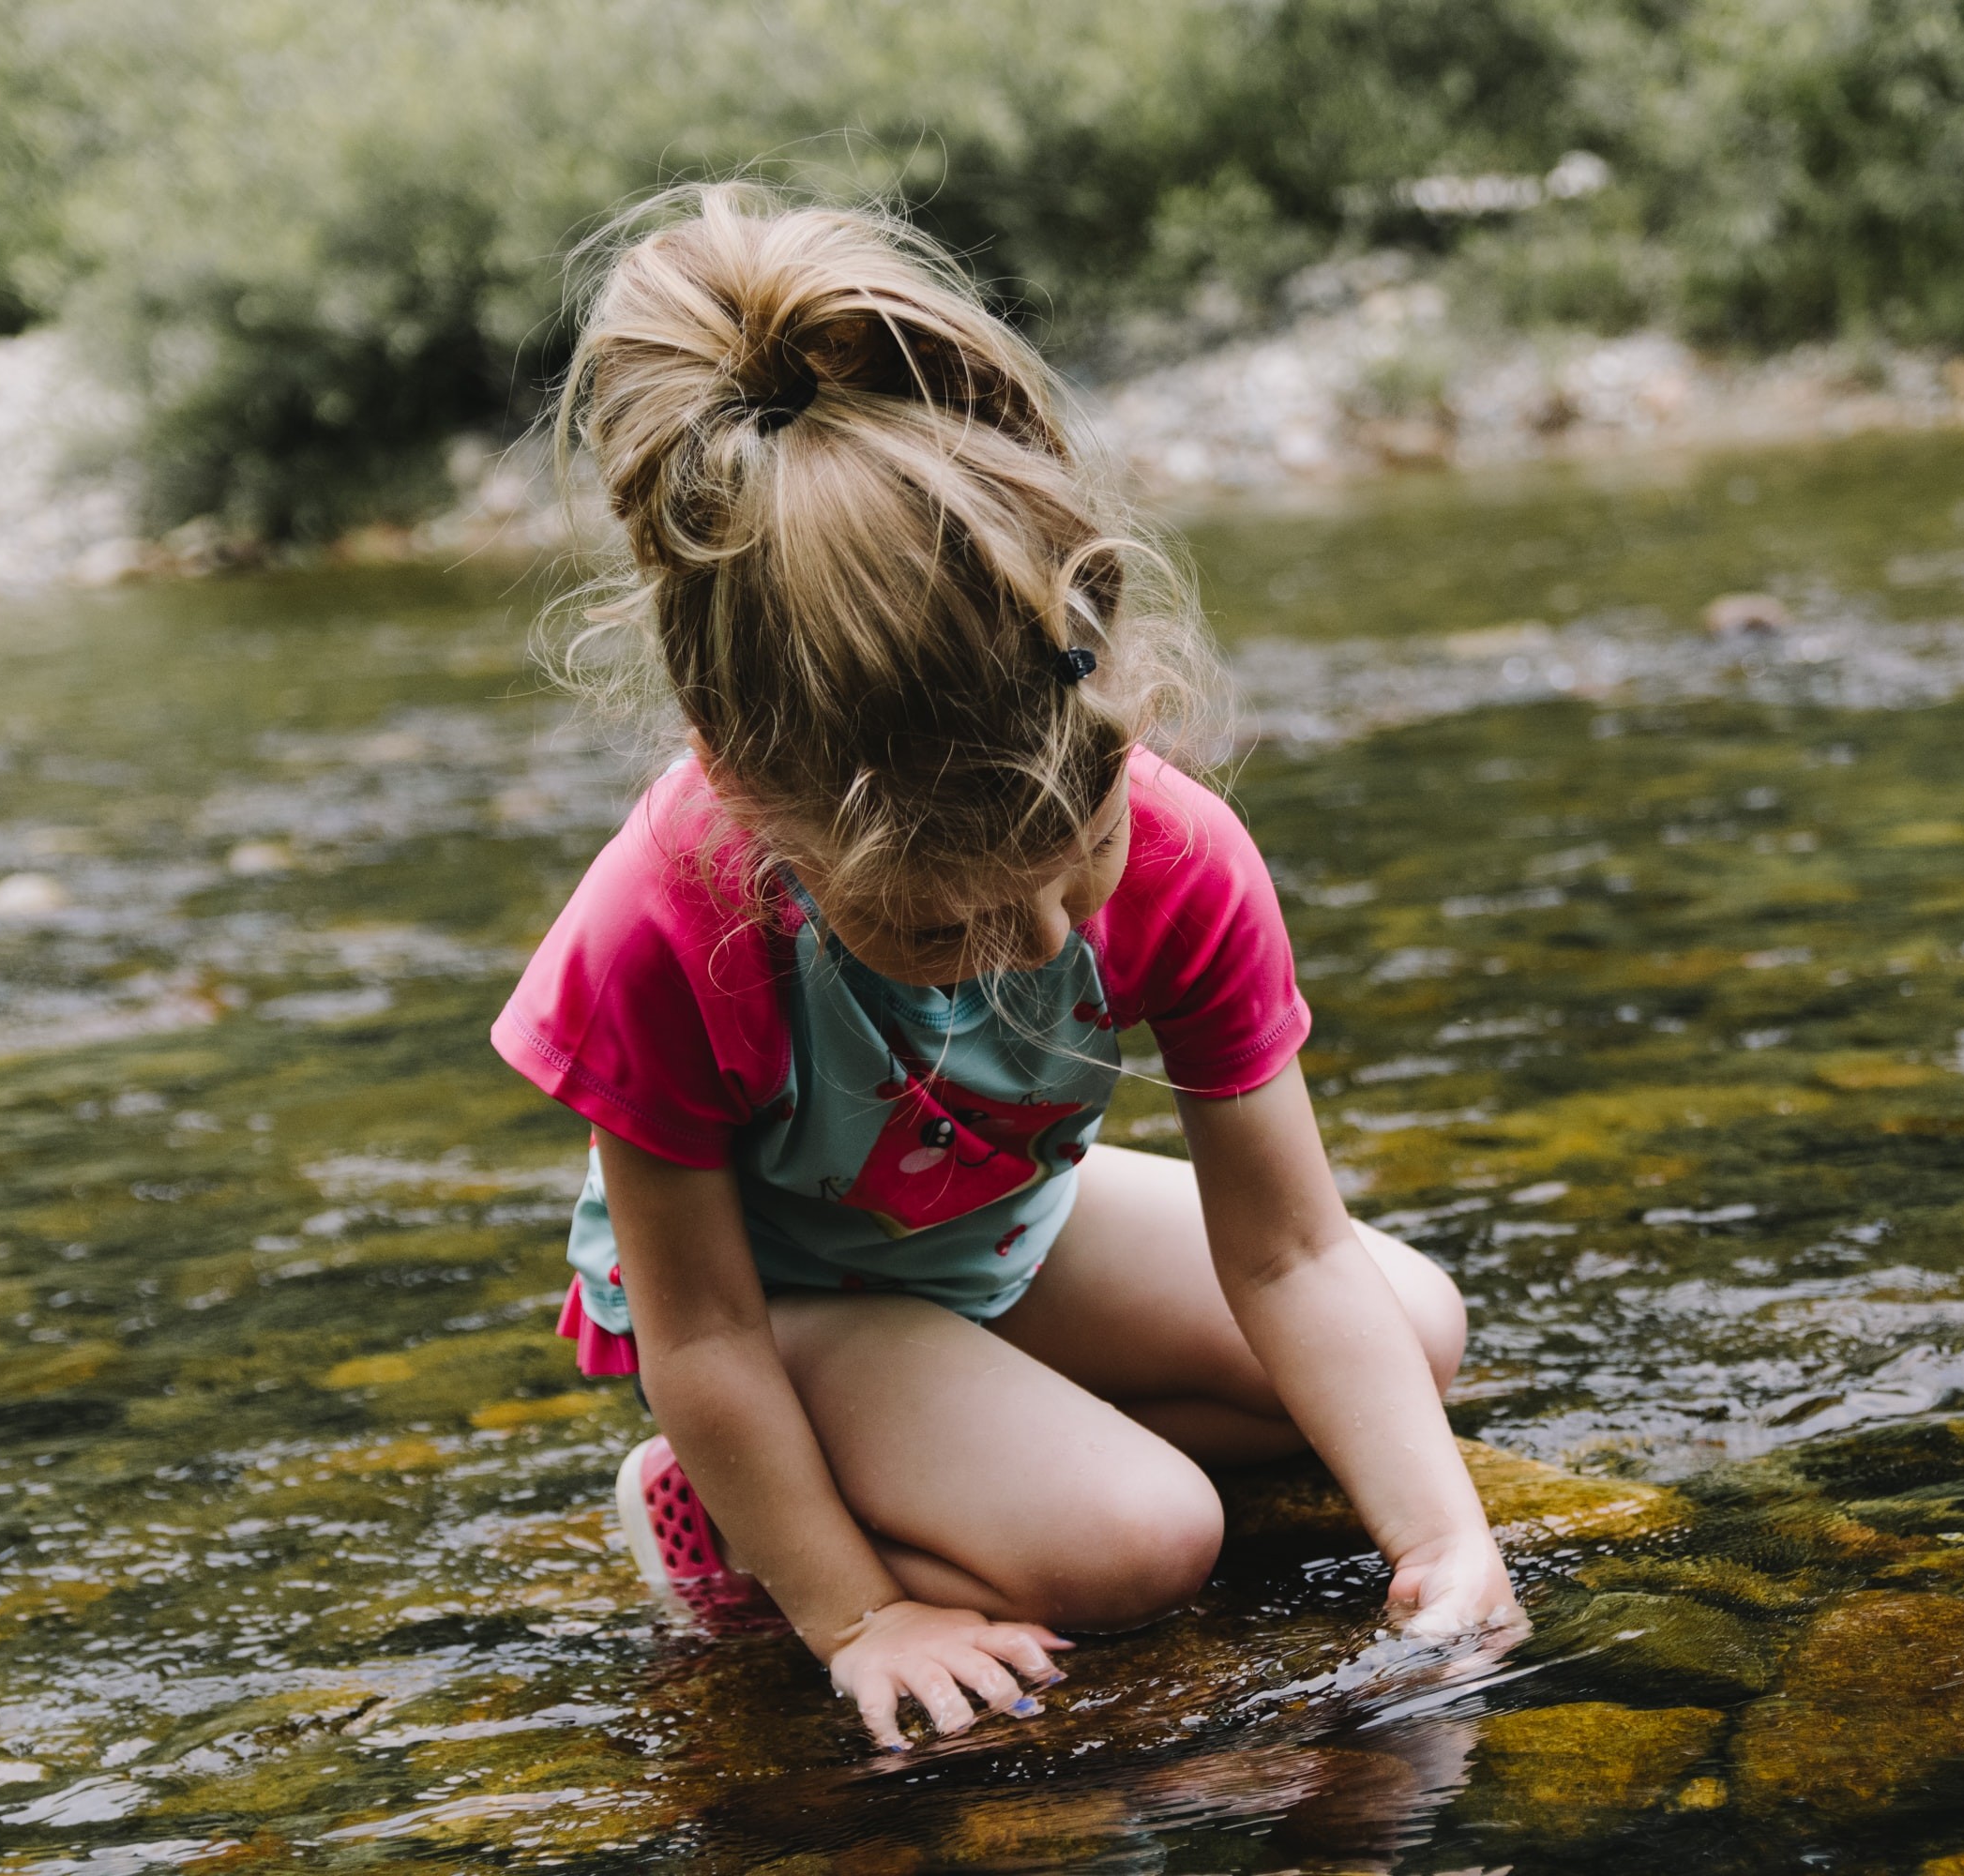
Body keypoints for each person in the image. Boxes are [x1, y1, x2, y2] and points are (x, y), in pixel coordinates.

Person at [491, 184, 1518, 1752]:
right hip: (789, 1308)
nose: (1039, 948)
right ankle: (733, 1518)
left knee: (1411, 1332)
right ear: (760, 809)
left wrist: (1445, 1543)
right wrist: (858, 1612)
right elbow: (697, 1333)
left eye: (1071, 872)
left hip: (993, 1233)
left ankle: (975, 1443)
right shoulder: (664, 927)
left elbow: (1292, 1255)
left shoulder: (1175, 851)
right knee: (1144, 1544)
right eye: (942, 929)